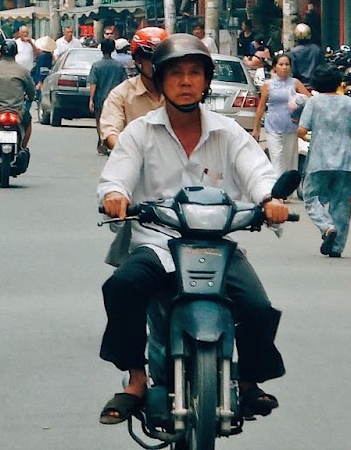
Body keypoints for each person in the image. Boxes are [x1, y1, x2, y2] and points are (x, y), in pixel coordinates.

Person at [96, 35, 288, 426]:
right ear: (160, 80)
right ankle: (136, 379)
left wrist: (271, 199)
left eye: (194, 73)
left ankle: (248, 381)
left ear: (206, 80)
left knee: (257, 307)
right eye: (176, 73)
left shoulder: (229, 132)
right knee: (121, 287)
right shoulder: (140, 132)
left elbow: (258, 172)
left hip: (216, 244)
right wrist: (115, 195)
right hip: (158, 243)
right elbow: (117, 175)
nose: (186, 81)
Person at [297, 65, 351, 257]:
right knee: (341, 203)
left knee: (311, 197)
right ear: (337, 82)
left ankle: (327, 227)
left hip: (319, 158)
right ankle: (336, 247)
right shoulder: (347, 102)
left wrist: (299, 126)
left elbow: (301, 130)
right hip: (345, 159)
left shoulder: (313, 102)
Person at [99, 27, 166, 152]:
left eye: (161, 59)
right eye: (149, 58)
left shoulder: (178, 92)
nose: (155, 64)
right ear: (138, 60)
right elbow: (111, 130)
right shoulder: (121, 94)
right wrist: (127, 152)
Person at [254, 53, 310, 173]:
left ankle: (290, 184)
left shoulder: (295, 83)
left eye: (287, 64)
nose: (284, 67)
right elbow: (261, 106)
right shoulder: (268, 85)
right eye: (281, 64)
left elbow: (309, 101)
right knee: (277, 160)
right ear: (275, 67)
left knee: (290, 161)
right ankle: (278, 184)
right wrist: (256, 128)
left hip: (291, 127)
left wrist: (301, 116)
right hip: (273, 126)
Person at [0, 44, 37, 146]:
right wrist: (31, 97)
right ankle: (23, 147)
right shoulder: (23, 71)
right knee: (28, 122)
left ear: (1, 53)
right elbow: (31, 90)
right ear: (15, 53)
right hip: (18, 111)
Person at [88, 39, 129, 154]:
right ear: (113, 49)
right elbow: (124, 82)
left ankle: (102, 142)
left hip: (100, 99)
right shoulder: (119, 66)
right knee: (114, 121)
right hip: (116, 99)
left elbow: (93, 83)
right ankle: (109, 141)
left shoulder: (96, 66)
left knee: (100, 121)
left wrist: (91, 99)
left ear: (101, 49)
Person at [288, 24, 324, 88]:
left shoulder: (293, 52)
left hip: (301, 84)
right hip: (316, 84)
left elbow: (293, 71)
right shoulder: (317, 49)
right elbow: (322, 66)